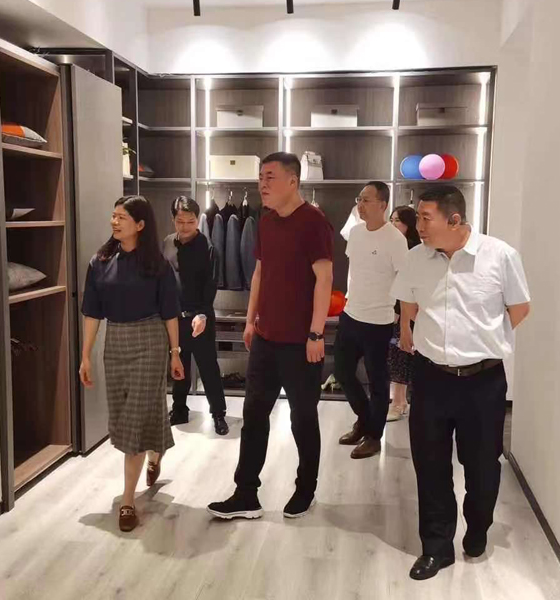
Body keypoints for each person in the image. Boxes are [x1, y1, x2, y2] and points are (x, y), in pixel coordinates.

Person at [391, 186, 530, 581]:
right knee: (430, 465)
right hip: (431, 378)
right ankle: (436, 547)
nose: (419, 226)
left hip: (482, 381)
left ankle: (478, 527)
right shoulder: (416, 258)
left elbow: (520, 308)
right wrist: (410, 328)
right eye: (418, 217)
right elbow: (407, 300)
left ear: (454, 220)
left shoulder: (500, 256)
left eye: (426, 218)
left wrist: (484, 338)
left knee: (483, 467)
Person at [207, 152, 333, 520]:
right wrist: (250, 321)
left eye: (270, 177)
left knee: (302, 419)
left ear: (293, 181)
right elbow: (259, 272)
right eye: (261, 177)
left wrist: (316, 333)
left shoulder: (314, 221)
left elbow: (324, 279)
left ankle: (306, 489)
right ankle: (246, 493)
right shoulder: (265, 220)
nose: (262, 184)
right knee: (254, 415)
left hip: (300, 342)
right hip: (265, 337)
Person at [79, 195, 185, 533]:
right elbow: (92, 313)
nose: (114, 222)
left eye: (122, 217)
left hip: (150, 341)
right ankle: (155, 455)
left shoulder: (158, 265)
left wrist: (175, 353)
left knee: (135, 417)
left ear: (140, 225)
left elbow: (170, 313)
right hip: (116, 342)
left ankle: (128, 501)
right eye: (113, 216)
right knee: (127, 415)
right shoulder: (99, 262)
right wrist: (85, 355)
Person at [335, 182, 409, 459]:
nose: (360, 205)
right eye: (359, 199)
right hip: (351, 314)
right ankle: (364, 419)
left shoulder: (395, 240)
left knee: (378, 381)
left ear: (383, 205)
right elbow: (356, 272)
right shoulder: (355, 233)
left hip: (378, 321)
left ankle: (374, 436)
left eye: (366, 200)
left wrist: (404, 324)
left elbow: (405, 284)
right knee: (342, 372)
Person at [163, 196, 229, 436]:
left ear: (197, 220)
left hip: (200, 316)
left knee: (208, 367)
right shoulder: (167, 244)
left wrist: (201, 313)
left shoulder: (208, 248)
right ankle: (179, 409)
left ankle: (218, 414)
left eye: (190, 221)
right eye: (180, 221)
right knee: (178, 363)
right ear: (173, 220)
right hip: (174, 318)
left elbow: (210, 285)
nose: (185, 227)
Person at [386, 205, 421, 422]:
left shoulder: (413, 250)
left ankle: (399, 402)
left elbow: (407, 286)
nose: (393, 224)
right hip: (395, 307)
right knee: (398, 353)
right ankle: (399, 401)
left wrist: (400, 312)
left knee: (402, 353)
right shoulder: (393, 245)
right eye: (391, 220)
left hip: (409, 310)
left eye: (397, 220)